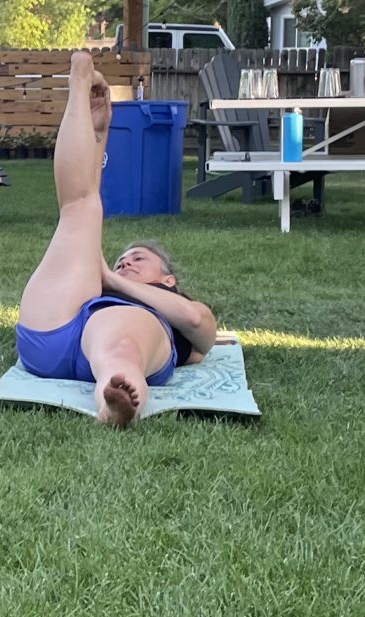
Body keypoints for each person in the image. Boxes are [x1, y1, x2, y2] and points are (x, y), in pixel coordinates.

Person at [15, 50, 219, 427]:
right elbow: (84, 193)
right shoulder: (101, 283)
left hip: (105, 337)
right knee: (81, 210)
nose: (126, 261)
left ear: (168, 279)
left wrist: (114, 280)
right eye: (124, 259)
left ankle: (115, 403)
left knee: (121, 347)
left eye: (139, 258)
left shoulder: (174, 305)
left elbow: (198, 324)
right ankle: (77, 85)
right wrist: (99, 131)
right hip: (58, 326)